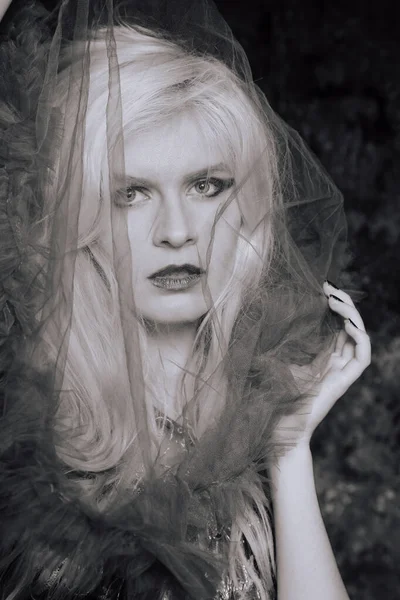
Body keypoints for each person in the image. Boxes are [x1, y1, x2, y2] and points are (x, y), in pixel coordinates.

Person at [0, 0, 371, 599]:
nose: (177, 230)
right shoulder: (28, 427)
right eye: (131, 193)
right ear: (78, 218)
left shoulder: (243, 427)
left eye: (206, 187)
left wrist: (289, 450)